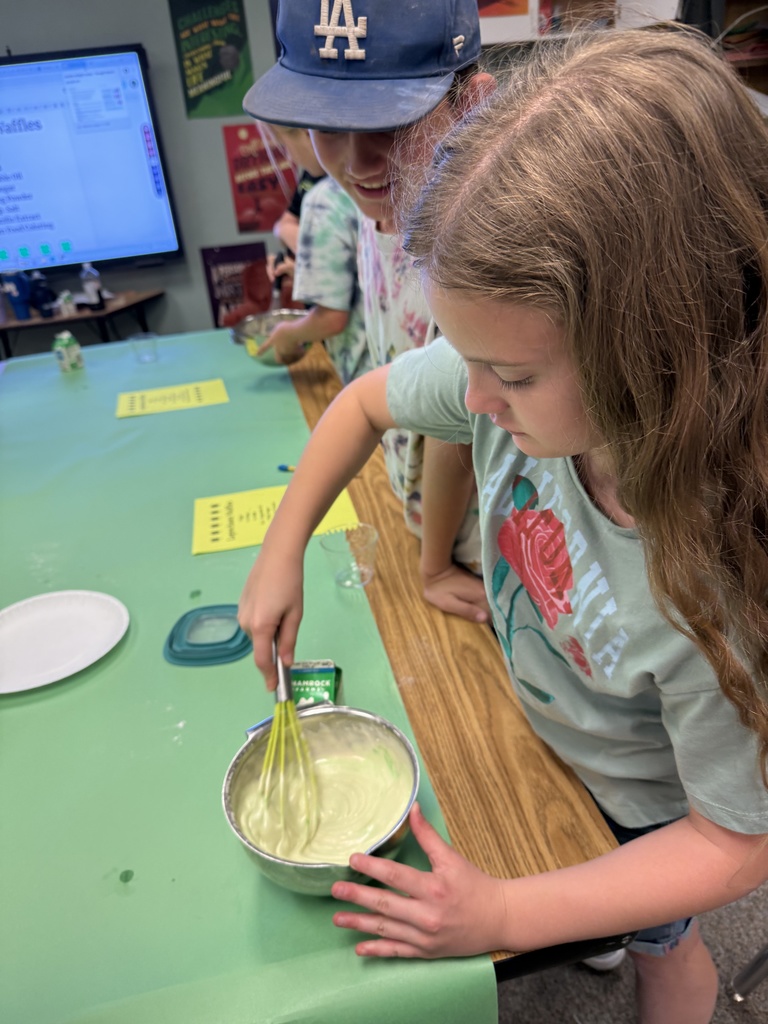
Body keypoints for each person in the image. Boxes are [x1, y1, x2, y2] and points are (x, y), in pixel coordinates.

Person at [239, 27, 768, 1024]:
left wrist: (506, 914)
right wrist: (282, 550)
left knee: (668, 949)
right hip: (548, 721)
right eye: (466, 358)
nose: (472, 400)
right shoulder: (517, 372)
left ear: (650, 345)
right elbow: (363, 406)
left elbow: (734, 841)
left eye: (511, 376)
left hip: (646, 807)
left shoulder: (720, 576)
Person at [243, 0, 494, 622]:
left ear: (473, 101)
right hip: (415, 508)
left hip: (470, 551)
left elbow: (453, 428)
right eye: (327, 127)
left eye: (392, 123)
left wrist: (435, 562)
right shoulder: (368, 203)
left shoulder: (473, 248)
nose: (357, 161)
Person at [259, 174, 372, 385]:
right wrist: (305, 270)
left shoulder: (323, 198)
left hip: (367, 371)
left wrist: (288, 333)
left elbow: (331, 317)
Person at [257, 122, 327, 307]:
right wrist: (302, 267)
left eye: (286, 146)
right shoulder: (310, 176)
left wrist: (310, 259)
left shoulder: (337, 187)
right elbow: (282, 225)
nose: (289, 156)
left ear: (307, 133)